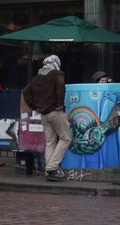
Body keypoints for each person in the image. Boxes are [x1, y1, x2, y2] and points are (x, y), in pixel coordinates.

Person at [22, 54, 71, 182]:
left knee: (50, 142)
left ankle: (49, 171)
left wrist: (35, 106)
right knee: (66, 138)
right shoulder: (57, 73)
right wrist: (60, 103)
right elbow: (61, 87)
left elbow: (26, 92)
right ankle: (52, 167)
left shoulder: (38, 77)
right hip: (55, 112)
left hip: (43, 114)